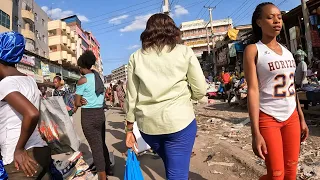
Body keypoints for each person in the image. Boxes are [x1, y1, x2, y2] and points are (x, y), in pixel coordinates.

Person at [125, 13, 207, 180]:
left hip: (148, 127)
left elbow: (131, 96)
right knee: (177, 172)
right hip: (180, 123)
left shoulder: (136, 57)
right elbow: (200, 89)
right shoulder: (184, 52)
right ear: (172, 30)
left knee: (172, 164)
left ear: (148, 32)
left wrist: (128, 129)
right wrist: (187, 98)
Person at [244, 3, 309, 180]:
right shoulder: (253, 50)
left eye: (279, 17)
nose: (276, 21)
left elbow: (292, 88)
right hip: (268, 117)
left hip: (291, 117)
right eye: (270, 17)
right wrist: (255, 133)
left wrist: (301, 118)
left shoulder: (288, 52)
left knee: (291, 170)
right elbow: (253, 90)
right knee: (276, 174)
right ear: (259, 22)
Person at [0, 32, 51, 179]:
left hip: (20, 160)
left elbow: (32, 113)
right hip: (39, 150)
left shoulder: (5, 84)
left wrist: (19, 149)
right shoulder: (29, 81)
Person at [74, 50, 112, 180]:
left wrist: (81, 100)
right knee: (101, 144)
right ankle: (108, 168)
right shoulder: (98, 78)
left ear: (81, 67)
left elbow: (77, 102)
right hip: (100, 114)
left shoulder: (82, 81)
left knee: (95, 148)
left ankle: (102, 176)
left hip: (88, 116)